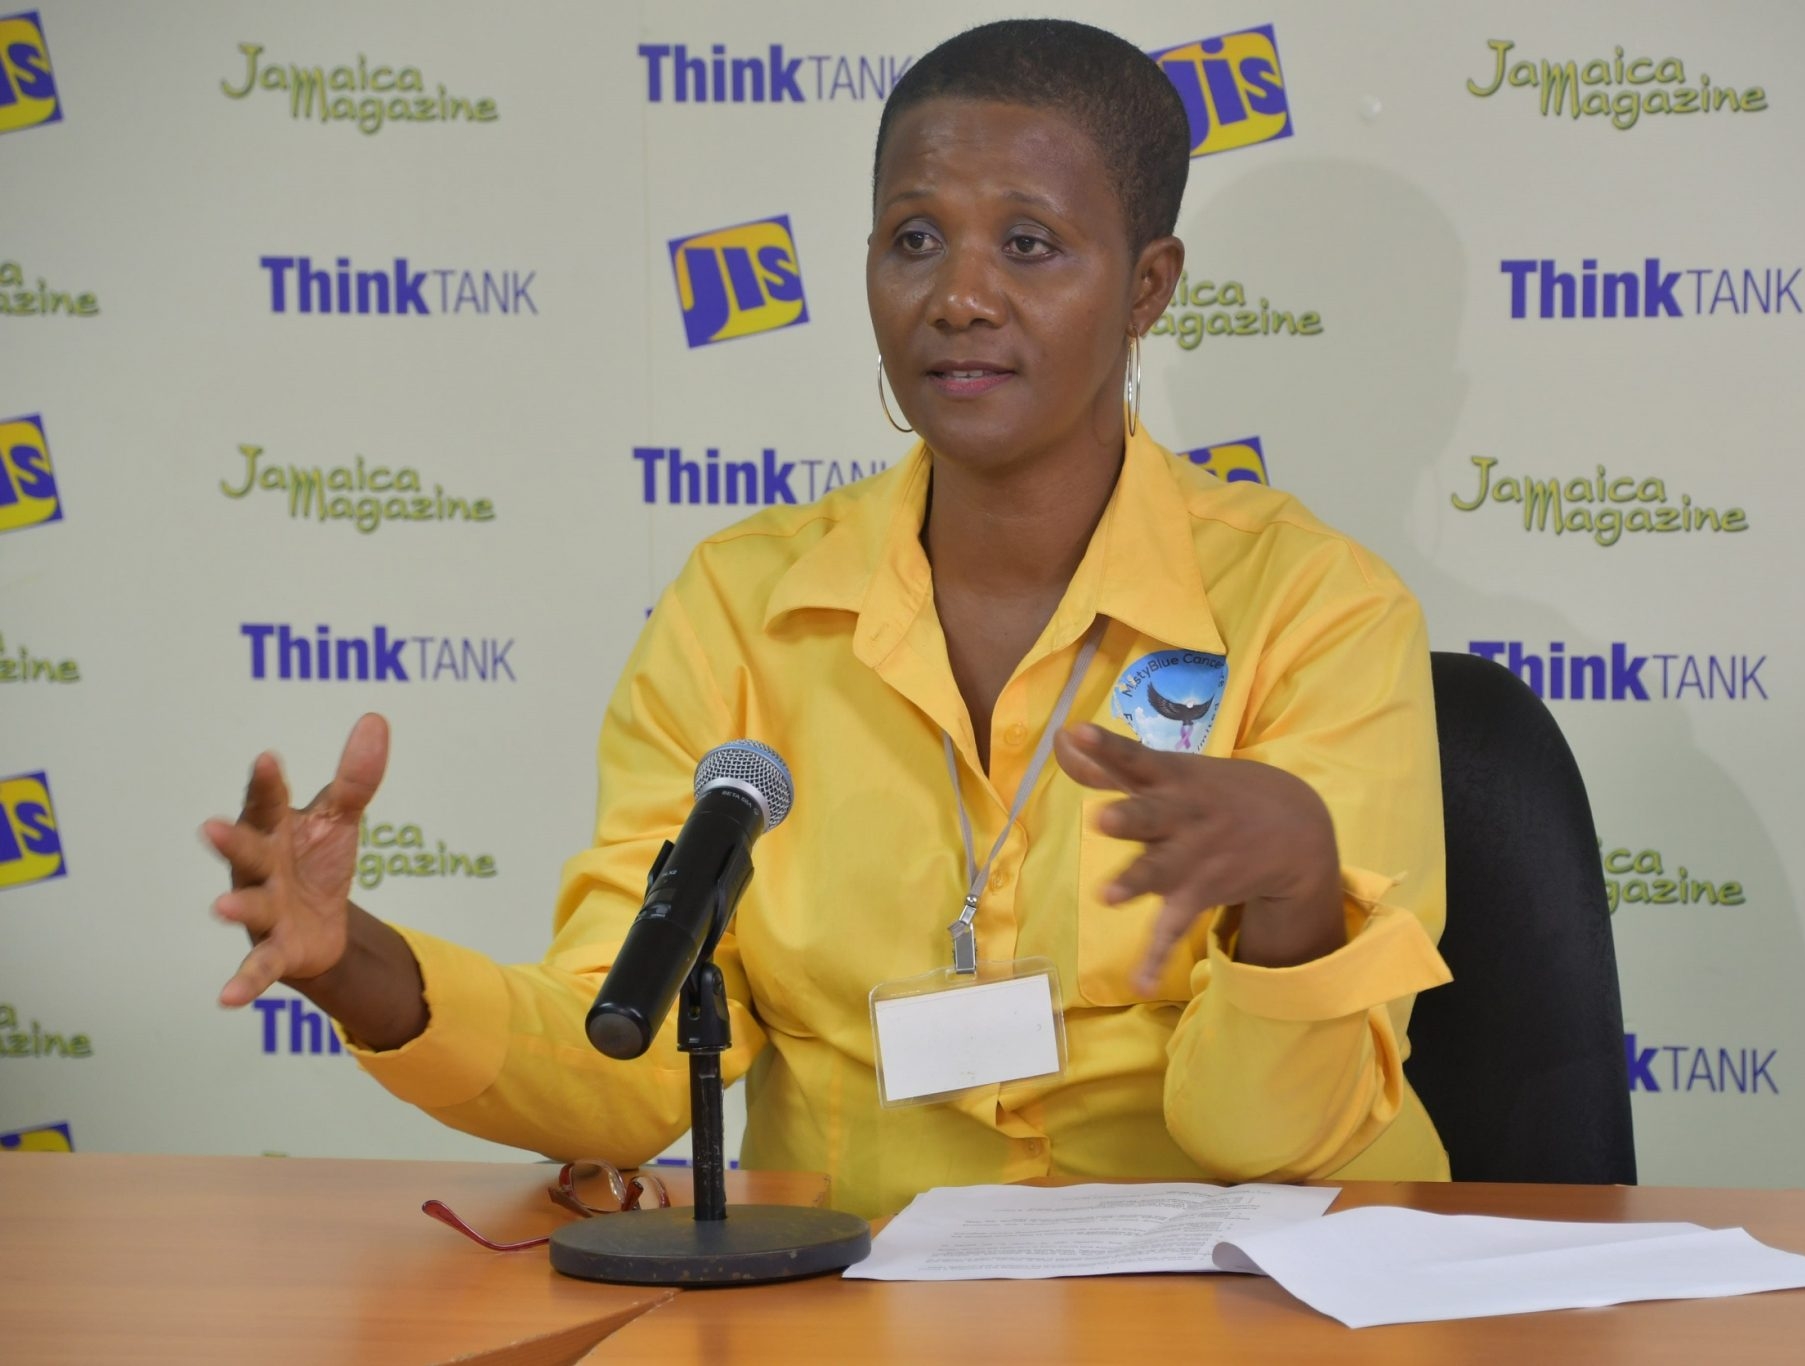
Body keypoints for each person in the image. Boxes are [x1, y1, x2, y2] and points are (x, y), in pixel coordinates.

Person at [201, 19, 1452, 1220]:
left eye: (1028, 245)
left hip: (1235, 1288)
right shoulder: (742, 612)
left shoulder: (1315, 614)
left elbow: (1272, 1142)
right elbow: (626, 1058)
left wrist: (1294, 903)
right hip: (865, 1294)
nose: (957, 297)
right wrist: (350, 959)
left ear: (1146, 287)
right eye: (914, 239)